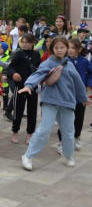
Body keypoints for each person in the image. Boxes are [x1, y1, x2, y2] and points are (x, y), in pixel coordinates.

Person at [19, 36, 90, 171]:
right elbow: (38, 74)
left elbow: (78, 83)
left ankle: (69, 155)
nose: (59, 50)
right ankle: (28, 156)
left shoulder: (69, 64)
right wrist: (28, 85)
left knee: (69, 131)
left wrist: (83, 98)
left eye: (62, 47)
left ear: (67, 48)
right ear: (52, 49)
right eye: (56, 48)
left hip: (68, 102)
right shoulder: (47, 63)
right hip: (50, 101)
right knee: (44, 129)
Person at [56, 38, 91, 154]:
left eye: (73, 48)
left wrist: (88, 85)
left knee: (79, 119)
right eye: (68, 47)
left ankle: (76, 137)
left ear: (79, 49)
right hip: (65, 96)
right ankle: (61, 142)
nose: (70, 50)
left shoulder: (85, 62)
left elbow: (90, 74)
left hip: (80, 96)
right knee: (64, 120)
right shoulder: (63, 61)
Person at [8, 34, 41, 144]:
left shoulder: (36, 54)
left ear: (32, 43)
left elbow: (39, 70)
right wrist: (14, 74)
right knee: (18, 110)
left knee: (32, 111)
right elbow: (10, 67)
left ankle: (30, 135)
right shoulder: (18, 53)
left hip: (33, 87)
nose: (24, 44)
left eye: (27, 42)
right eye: (23, 42)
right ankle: (15, 132)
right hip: (20, 86)